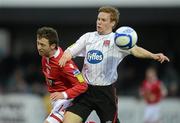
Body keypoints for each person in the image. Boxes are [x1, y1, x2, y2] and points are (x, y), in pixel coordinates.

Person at [58, 6, 170, 123]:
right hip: (85, 90)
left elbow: (135, 50)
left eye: (103, 20)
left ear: (113, 23)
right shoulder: (88, 37)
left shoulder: (118, 40)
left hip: (105, 93)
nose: (99, 22)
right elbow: (71, 50)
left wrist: (153, 55)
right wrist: (66, 55)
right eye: (98, 19)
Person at [36, 27, 88, 123]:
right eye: (38, 43)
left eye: (42, 45)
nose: (39, 47)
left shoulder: (65, 64)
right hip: (55, 101)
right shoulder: (45, 56)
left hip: (66, 102)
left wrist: (63, 94)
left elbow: (83, 85)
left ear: (52, 46)